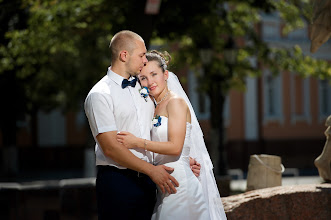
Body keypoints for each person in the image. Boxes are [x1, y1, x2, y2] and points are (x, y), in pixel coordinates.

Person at [84, 30, 200, 220]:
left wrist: (180, 160)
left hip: (151, 181)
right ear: (124, 55)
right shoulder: (100, 94)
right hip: (118, 182)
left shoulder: (144, 88)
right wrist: (152, 171)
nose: (145, 60)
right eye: (141, 55)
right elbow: (111, 148)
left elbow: (154, 132)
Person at [117, 50, 227, 220]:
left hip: (180, 186)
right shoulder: (153, 107)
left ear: (166, 74)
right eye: (144, 78)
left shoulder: (175, 102)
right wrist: (187, 158)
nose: (150, 81)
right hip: (165, 185)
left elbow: (175, 147)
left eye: (154, 74)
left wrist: (137, 142)